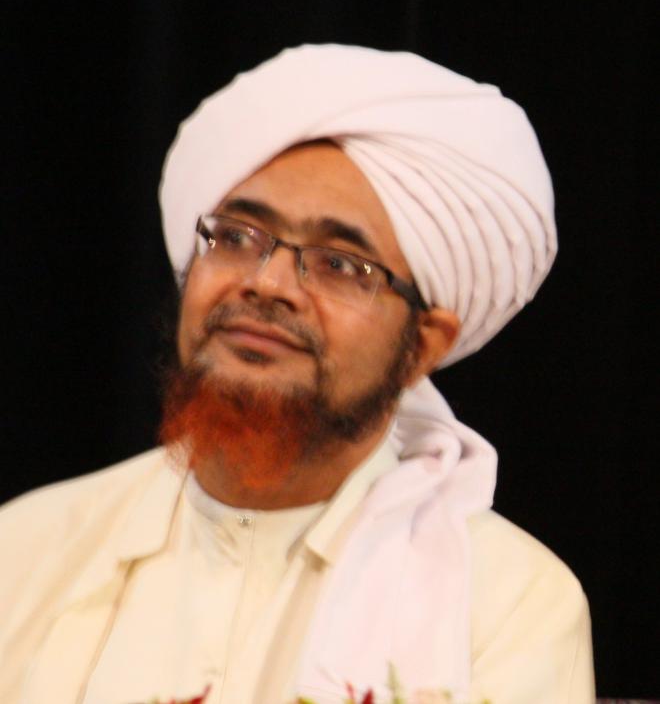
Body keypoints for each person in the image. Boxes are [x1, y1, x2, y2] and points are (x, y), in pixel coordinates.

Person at [0, 44, 595, 704]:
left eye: (341, 264)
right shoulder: (25, 549)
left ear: (423, 346)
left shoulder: (510, 602)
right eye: (236, 237)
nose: (268, 283)